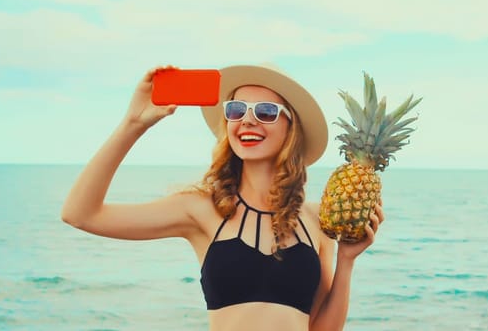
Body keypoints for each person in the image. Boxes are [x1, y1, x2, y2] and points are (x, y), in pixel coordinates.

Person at [61, 63, 385, 330]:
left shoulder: (317, 220)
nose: (247, 119)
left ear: (291, 127)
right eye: (236, 109)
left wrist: (346, 262)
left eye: (267, 111)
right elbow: (80, 213)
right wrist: (133, 124)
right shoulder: (201, 209)